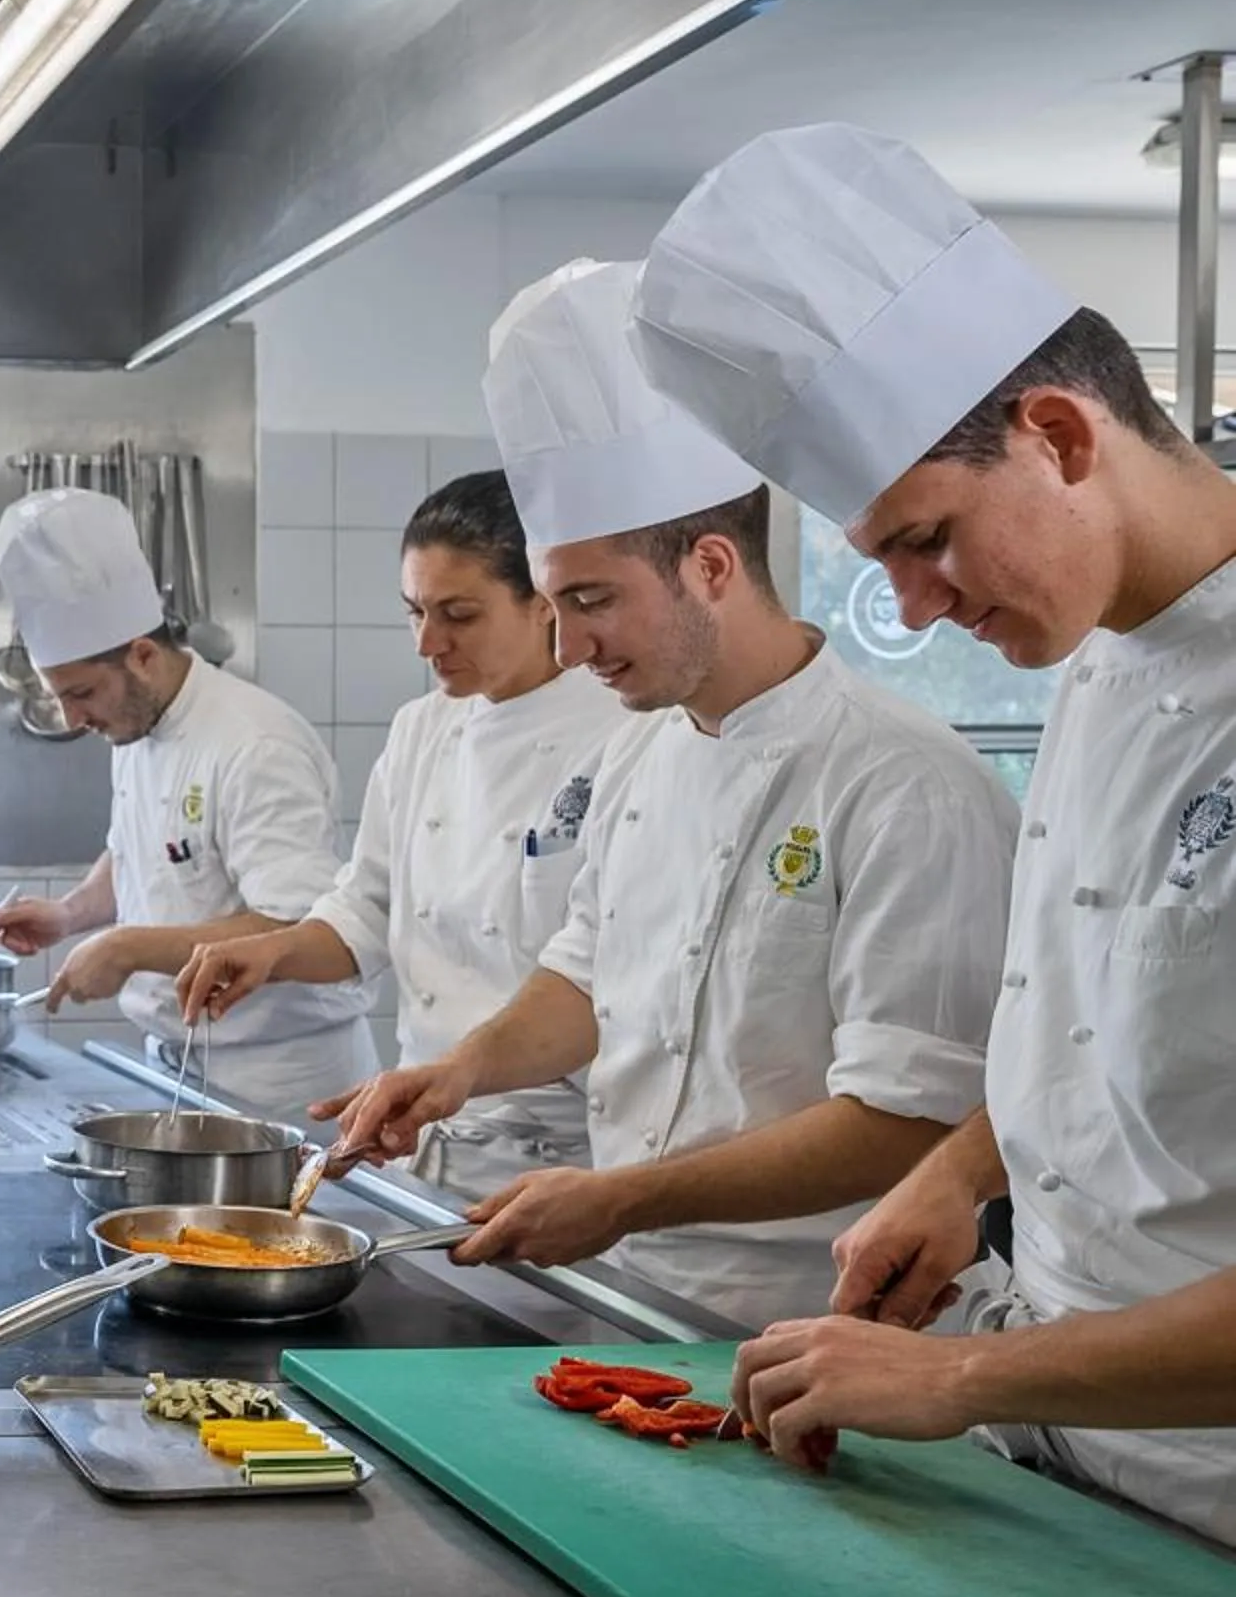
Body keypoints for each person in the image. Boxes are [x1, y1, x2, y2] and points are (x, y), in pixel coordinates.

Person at [632, 123, 1236, 1538]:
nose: (910, 608)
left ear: (1063, 436)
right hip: (1073, 1479)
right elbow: (1108, 1024)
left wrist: (962, 1372)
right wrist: (965, 1170)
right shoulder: (1095, 656)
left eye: (927, 540)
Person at [320, 259, 1015, 1328]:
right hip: (639, 1296)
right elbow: (585, 979)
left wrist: (621, 1199)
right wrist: (460, 1071)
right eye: (555, 605)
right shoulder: (636, 756)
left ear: (712, 567)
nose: (569, 644)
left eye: (593, 600)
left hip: (827, 1322)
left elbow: (908, 1120)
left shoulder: (903, 785)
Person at [175, 470, 627, 1195]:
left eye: (458, 614)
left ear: (543, 602)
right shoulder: (422, 729)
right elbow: (369, 906)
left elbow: (601, 971)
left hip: (566, 1160)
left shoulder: (624, 731)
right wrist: (272, 953)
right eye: (414, 611)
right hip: (423, 1138)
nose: (427, 643)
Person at [0, 489, 379, 1116]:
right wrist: (69, 914)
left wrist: (125, 947)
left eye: (81, 693)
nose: (74, 718)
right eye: (61, 698)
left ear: (141, 655)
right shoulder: (132, 722)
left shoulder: (255, 745)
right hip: (180, 1067)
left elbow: (295, 923)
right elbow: (138, 853)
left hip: (282, 1089)